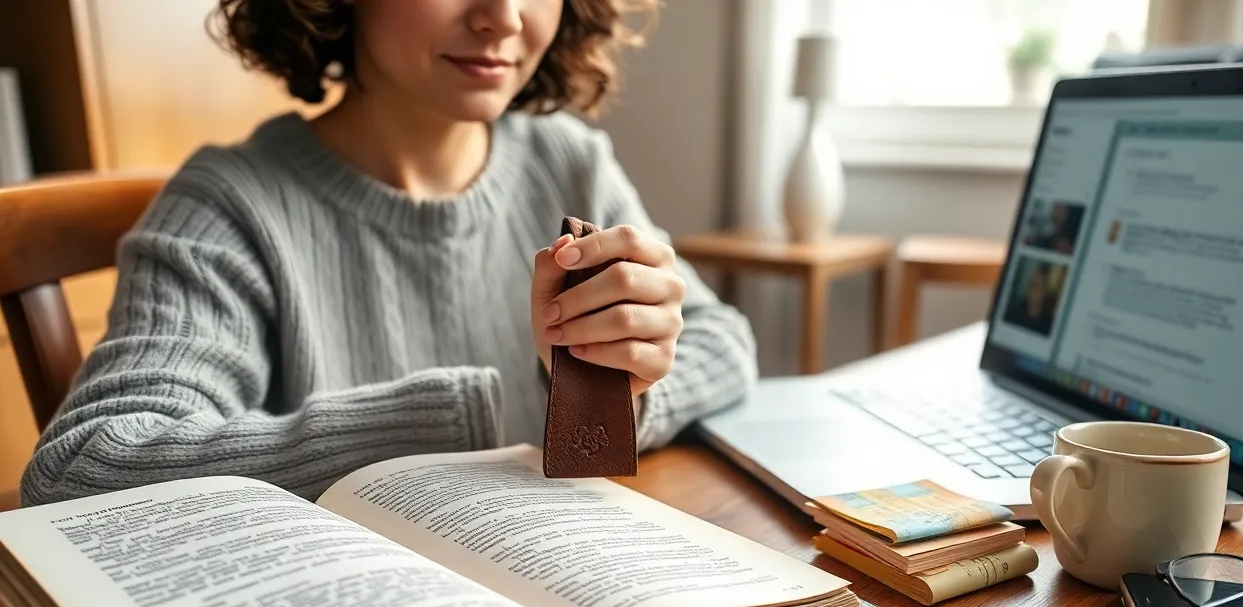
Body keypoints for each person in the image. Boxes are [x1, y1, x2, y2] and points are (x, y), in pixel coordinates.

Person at [20, 0, 757, 506]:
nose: (503, 16)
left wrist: (610, 396)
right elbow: (83, 467)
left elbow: (721, 339)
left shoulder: (568, 161)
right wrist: (460, 421)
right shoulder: (230, 204)